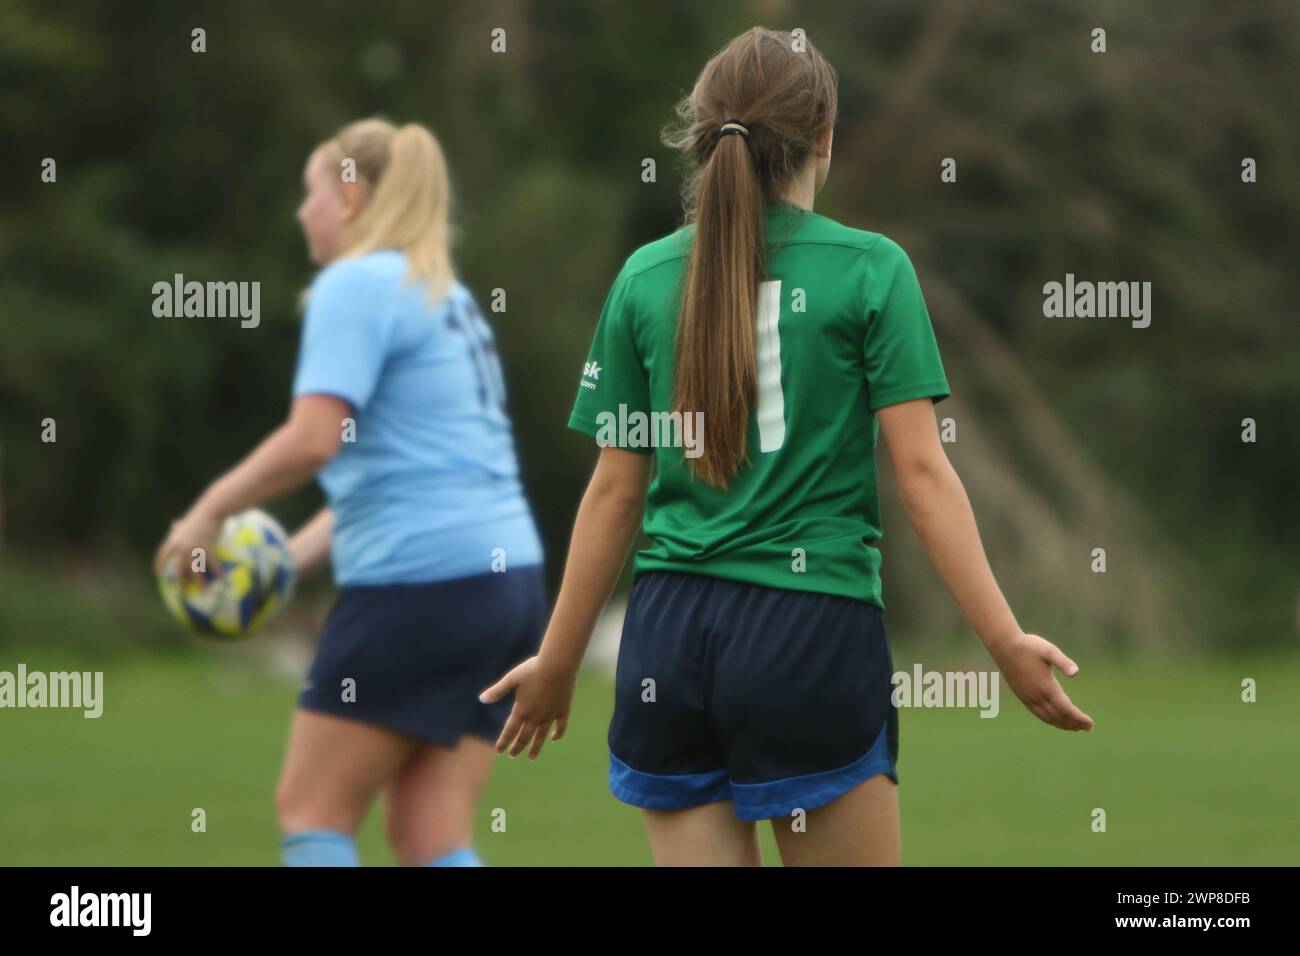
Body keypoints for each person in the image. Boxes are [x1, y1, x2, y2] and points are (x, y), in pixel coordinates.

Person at [481, 28, 1092, 867]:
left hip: (667, 643)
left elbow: (614, 496)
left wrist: (557, 661)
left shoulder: (643, 278)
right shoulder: (872, 270)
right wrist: (1005, 643)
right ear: (825, 139)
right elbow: (921, 476)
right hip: (808, 637)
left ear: (703, 137)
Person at [154, 118, 543, 867]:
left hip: (419, 588)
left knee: (312, 809)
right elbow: (402, 478)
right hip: (504, 588)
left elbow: (311, 440)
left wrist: (208, 513)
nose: (302, 212)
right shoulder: (442, 293)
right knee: (431, 838)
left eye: (311, 194)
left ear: (351, 196)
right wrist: (279, 563)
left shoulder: (356, 284)